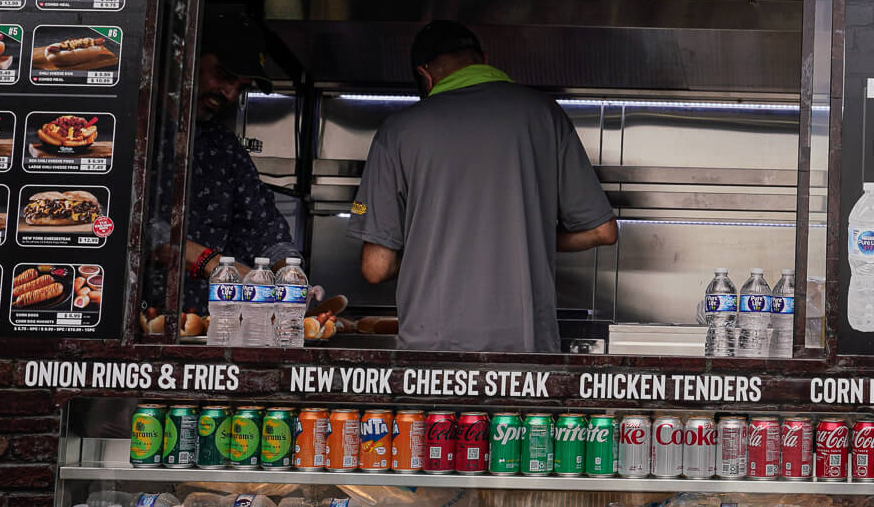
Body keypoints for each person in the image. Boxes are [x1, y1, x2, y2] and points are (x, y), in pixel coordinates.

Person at [354, 20, 616, 352]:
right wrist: (520, 240)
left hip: (432, 353)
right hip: (526, 351)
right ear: (484, 59)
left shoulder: (398, 131)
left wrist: (439, 246)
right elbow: (602, 231)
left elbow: (376, 267)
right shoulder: (544, 115)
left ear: (426, 75)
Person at [177, 18, 298, 311]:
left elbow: (265, 227)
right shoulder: (135, 135)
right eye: (223, 76)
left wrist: (289, 274)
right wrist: (216, 265)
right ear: (188, 58)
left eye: (241, 87)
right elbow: (140, 231)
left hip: (212, 325)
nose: (230, 95)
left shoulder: (224, 148)